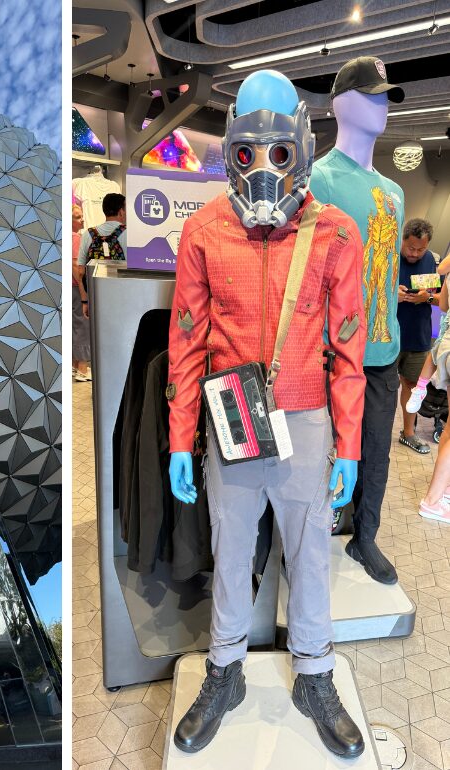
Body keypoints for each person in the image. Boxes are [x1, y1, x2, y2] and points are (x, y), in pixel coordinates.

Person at [168, 69, 366, 759]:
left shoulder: (336, 233)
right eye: (247, 153)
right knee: (229, 556)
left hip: (306, 420)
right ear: (229, 148)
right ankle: (223, 673)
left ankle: (313, 674)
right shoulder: (202, 230)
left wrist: (348, 446)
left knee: (309, 555)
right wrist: (176, 439)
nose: (261, 170)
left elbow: (348, 349)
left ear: (301, 147)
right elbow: (186, 343)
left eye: (277, 154)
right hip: (232, 422)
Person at [308, 56, 407, 585]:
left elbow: (387, 276)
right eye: (371, 94)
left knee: (375, 455)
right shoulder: (317, 181)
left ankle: (364, 538)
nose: (382, 105)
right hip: (330, 353)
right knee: (320, 455)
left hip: (383, 353)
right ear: (341, 103)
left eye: (385, 96)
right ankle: (312, 538)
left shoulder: (394, 192)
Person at [394, 219, 440, 454]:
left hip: (418, 335)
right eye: (411, 248)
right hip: (389, 335)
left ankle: (409, 433)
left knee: (412, 386)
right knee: (381, 388)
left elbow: (434, 293)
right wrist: (394, 295)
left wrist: (426, 298)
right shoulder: (390, 254)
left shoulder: (431, 259)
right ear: (403, 240)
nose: (415, 253)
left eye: (420, 249)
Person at [76, 193, 128, 270]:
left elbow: (81, 269)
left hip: (95, 281)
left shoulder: (88, 234)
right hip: (121, 281)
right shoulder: (130, 233)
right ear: (121, 211)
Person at [72, 204, 92, 382]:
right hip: (76, 288)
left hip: (71, 288)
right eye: (78, 217)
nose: (82, 220)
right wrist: (84, 293)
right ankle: (83, 369)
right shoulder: (76, 239)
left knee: (74, 325)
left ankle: (75, 364)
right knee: (82, 325)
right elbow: (76, 268)